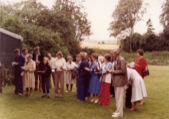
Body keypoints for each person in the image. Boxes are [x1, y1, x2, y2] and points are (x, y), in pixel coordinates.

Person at [111, 49, 128, 118]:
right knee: (117, 97)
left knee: (119, 97)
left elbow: (123, 71)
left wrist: (113, 71)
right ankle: (118, 111)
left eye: (112, 53)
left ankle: (120, 113)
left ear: (116, 53)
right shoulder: (117, 59)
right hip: (116, 81)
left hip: (120, 81)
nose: (111, 54)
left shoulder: (122, 60)